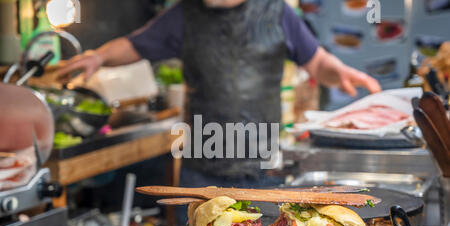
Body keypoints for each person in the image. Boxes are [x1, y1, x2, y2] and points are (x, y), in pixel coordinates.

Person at [58, 0, 381, 193]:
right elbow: (134, 44)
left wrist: (339, 72)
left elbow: (317, 61)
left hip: (263, 171)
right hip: (201, 172)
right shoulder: (185, 14)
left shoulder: (277, 11)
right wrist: (98, 57)